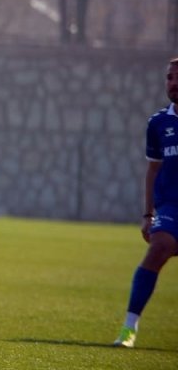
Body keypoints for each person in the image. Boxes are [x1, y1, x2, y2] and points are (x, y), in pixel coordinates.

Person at [111, 57, 178, 348]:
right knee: (159, 247)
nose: (173, 83)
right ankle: (129, 329)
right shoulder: (158, 122)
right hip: (170, 206)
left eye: (177, 77)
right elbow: (153, 169)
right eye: (169, 77)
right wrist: (147, 213)